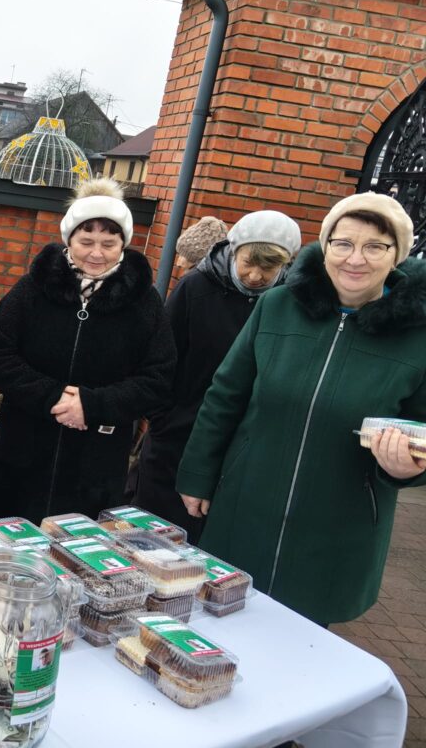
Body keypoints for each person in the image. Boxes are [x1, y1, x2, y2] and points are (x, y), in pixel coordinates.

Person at [177, 192, 426, 626]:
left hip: (338, 523)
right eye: (343, 243)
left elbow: (421, 431)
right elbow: (226, 394)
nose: (356, 259)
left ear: (397, 256)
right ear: (325, 246)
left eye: (375, 246)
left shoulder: (416, 336)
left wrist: (409, 467)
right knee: (221, 622)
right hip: (246, 501)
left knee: (300, 643)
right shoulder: (278, 307)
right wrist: (198, 473)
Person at [0, 177, 175, 522]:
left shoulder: (144, 303)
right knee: (8, 551)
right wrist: (53, 397)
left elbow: (158, 378)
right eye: (86, 241)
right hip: (23, 455)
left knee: (77, 558)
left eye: (109, 242)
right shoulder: (32, 290)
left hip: (96, 465)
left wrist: (92, 404)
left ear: (124, 244)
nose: (97, 253)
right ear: (69, 239)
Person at [133, 210, 301, 540]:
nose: (255, 276)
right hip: (177, 434)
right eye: (248, 263)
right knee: (155, 534)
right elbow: (160, 356)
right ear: (233, 250)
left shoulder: (291, 304)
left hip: (245, 442)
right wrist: (162, 417)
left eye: (268, 268)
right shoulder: (195, 287)